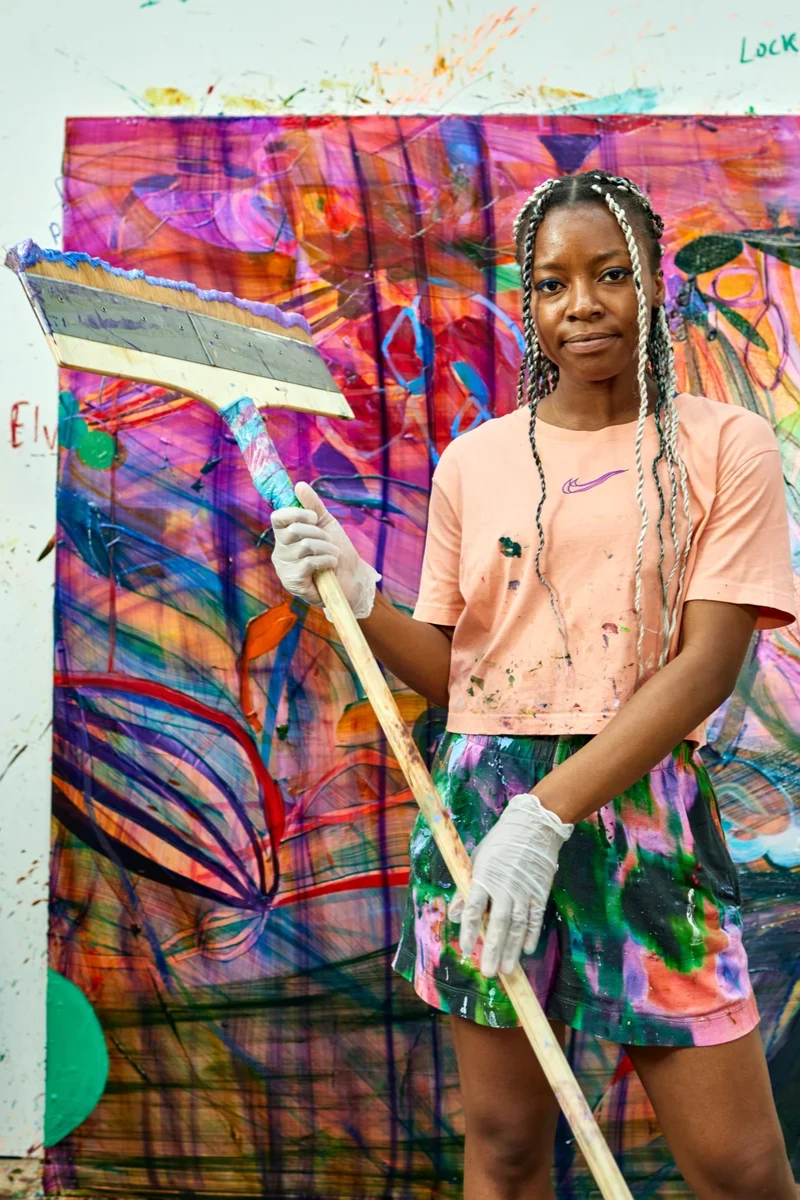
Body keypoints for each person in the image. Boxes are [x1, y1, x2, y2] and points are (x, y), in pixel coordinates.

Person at [269, 170, 797, 1199]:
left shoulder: (722, 444)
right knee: (508, 1148)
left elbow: (705, 665)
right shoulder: (475, 462)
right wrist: (355, 591)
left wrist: (546, 816)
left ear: (656, 282)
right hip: (480, 811)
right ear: (530, 301)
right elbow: (459, 679)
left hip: (639, 816)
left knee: (739, 1168)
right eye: (552, 283)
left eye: (611, 274)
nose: (581, 305)